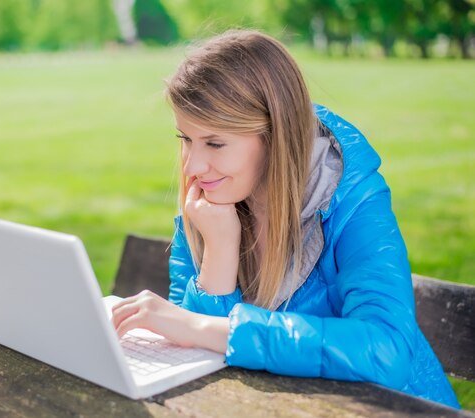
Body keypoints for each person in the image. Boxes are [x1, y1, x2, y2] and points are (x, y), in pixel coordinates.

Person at [111, 29, 460, 409]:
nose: (193, 166)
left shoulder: (352, 197)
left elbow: (386, 352)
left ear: (276, 135)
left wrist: (211, 329)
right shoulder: (209, 201)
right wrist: (221, 248)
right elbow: (198, 357)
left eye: (214, 143)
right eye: (185, 139)